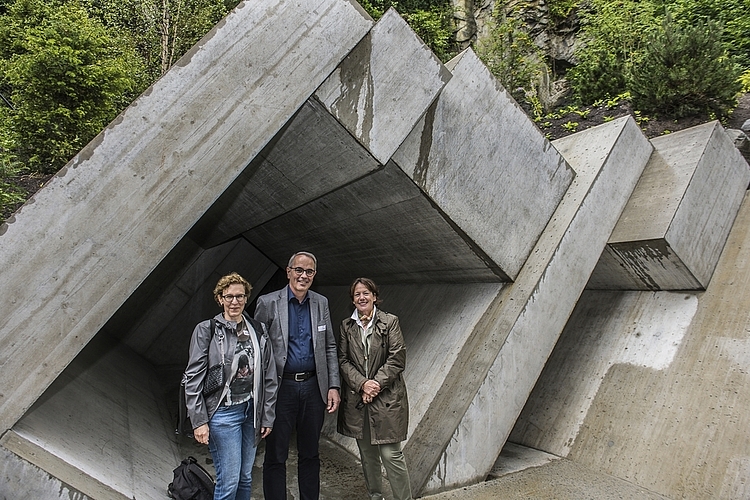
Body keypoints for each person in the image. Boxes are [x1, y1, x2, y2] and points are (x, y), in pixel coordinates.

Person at [183, 272, 278, 500]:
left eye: (239, 296)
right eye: (229, 297)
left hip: (250, 412)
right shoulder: (207, 330)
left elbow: (270, 376)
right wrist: (199, 421)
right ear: (220, 298)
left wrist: (267, 416)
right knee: (229, 481)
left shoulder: (258, 330)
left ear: (246, 298)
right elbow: (193, 376)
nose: (234, 302)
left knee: (246, 477)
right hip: (223, 414)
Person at [255, 251, 341, 500]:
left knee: (310, 453)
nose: (304, 276)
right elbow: (259, 350)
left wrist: (333, 385)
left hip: (314, 388)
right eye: (299, 270)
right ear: (289, 271)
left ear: (314, 275)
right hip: (281, 389)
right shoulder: (268, 303)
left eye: (309, 271)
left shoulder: (320, 303)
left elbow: (330, 346)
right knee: (276, 454)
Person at [337, 277, 412, 500]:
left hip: (386, 398)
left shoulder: (390, 322)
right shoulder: (346, 326)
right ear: (353, 300)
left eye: (366, 293)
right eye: (357, 294)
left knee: (391, 454)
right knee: (368, 455)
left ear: (375, 297)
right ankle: (375, 495)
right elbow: (342, 360)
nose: (362, 297)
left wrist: (375, 384)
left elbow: (397, 358)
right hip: (359, 400)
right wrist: (362, 384)